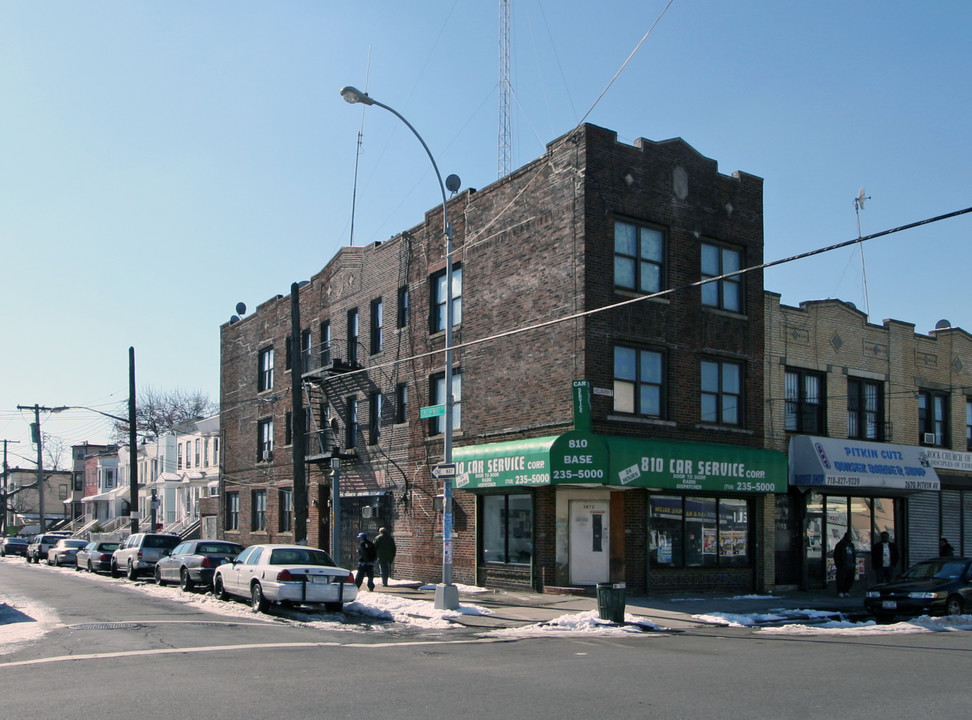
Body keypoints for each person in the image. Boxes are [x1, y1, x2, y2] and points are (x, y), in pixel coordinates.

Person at [833, 531, 857, 597]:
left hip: (850, 564)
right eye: (848, 537)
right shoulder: (840, 545)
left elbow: (853, 555)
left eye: (850, 537)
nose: (850, 538)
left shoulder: (851, 545)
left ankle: (846, 590)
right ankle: (840, 591)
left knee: (850, 579)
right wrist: (838, 564)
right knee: (841, 579)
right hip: (843, 565)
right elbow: (836, 555)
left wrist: (854, 563)